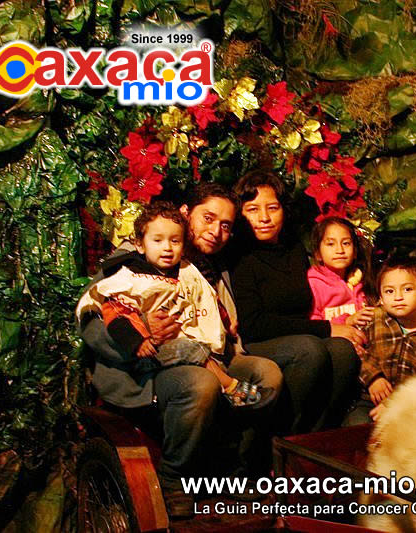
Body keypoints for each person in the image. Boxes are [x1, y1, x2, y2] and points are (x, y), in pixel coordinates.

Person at [77, 184, 282, 518]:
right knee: (201, 382)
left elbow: (216, 316)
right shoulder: (131, 265)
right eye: (209, 218)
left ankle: (238, 474)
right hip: (147, 367)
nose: (216, 231)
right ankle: (176, 481)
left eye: (226, 225)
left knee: (267, 374)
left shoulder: (200, 269)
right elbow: (97, 314)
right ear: (186, 216)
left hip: (212, 355)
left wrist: (225, 329)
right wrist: (140, 332)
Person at [77, 202, 271, 408]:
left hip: (183, 348)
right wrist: (138, 339)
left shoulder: (186, 270)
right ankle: (232, 388)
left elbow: (206, 298)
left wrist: (225, 320)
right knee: (191, 350)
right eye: (158, 241)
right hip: (144, 356)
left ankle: (228, 393)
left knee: (197, 351)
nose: (167, 248)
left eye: (175, 241)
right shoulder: (130, 276)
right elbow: (113, 311)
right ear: (140, 244)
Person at [230, 171, 363, 434]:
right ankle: (278, 438)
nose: (264, 218)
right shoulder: (240, 257)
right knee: (309, 349)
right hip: (259, 340)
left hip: (301, 335)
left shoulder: (293, 250)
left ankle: (313, 437)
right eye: (253, 209)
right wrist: (327, 329)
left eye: (272, 208)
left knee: (343, 350)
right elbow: (254, 324)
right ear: (240, 213)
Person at [343, 256, 416, 426]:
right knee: (358, 428)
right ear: (381, 298)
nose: (398, 297)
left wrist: (397, 403)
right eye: (390, 291)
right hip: (367, 398)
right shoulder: (375, 319)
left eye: (407, 289)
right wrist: (373, 378)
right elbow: (354, 348)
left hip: (409, 405)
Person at [307, 216, 375, 328]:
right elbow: (314, 324)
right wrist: (346, 321)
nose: (340, 250)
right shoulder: (314, 283)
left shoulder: (361, 279)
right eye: (330, 244)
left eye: (346, 243)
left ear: (355, 252)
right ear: (318, 254)